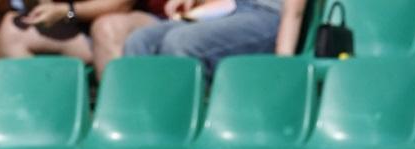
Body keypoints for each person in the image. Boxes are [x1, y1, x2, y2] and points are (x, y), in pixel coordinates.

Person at [121, 0, 305, 81]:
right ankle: (135, 122)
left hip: (269, 15)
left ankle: (180, 124)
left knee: (180, 42)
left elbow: (293, 13)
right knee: (141, 40)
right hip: (233, 8)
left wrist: (283, 66)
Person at [0, 0, 133, 62]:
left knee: (104, 28)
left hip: (128, 27)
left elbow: (122, 4)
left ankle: (120, 106)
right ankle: (39, 105)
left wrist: (68, 11)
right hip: (77, 30)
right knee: (12, 32)